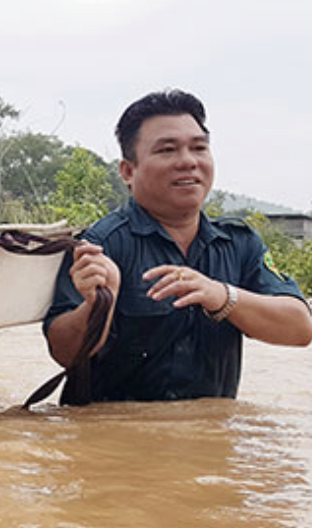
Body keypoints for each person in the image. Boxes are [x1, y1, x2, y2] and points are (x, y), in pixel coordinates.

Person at [43, 89, 312, 403]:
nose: (188, 161)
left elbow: (299, 328)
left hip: (207, 443)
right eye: (167, 150)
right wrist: (98, 304)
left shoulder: (239, 242)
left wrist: (222, 296)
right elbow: (64, 353)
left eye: (199, 148)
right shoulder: (100, 245)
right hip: (114, 443)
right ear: (128, 171)